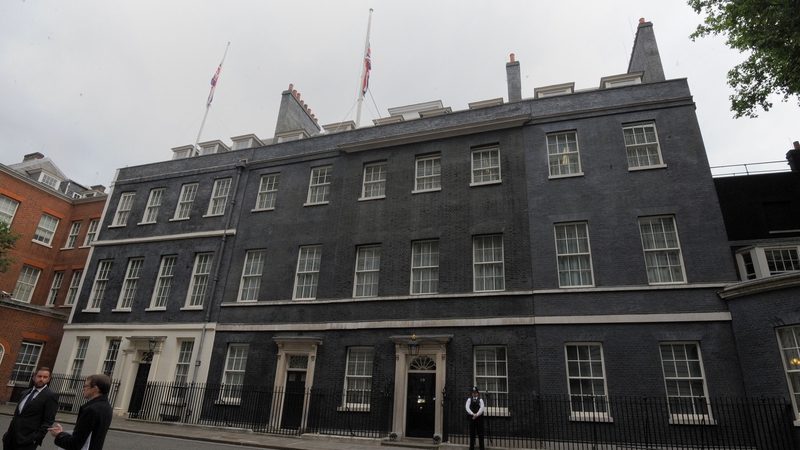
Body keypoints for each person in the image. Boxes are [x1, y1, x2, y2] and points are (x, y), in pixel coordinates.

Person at [48, 374, 112, 450]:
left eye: (86, 386)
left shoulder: (91, 410)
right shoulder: (107, 407)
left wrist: (59, 434)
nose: (83, 389)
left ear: (94, 389)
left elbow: (75, 444)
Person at [2, 367, 59, 450]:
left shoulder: (51, 396)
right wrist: (7, 435)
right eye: (39, 376)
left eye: (45, 377)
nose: (41, 379)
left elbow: (48, 420)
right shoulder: (24, 393)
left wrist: (36, 438)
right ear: (34, 377)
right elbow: (17, 416)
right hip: (10, 438)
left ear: (49, 379)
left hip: (27, 441)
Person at [465, 386, 485, 450]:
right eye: (473, 392)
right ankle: (471, 447)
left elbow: (482, 408)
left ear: (477, 393)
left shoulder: (480, 400)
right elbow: (467, 407)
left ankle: (482, 447)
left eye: (475, 392)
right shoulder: (469, 399)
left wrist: (476, 415)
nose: (474, 393)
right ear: (472, 393)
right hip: (472, 418)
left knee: (480, 433)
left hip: (479, 418)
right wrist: (472, 414)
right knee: (472, 433)